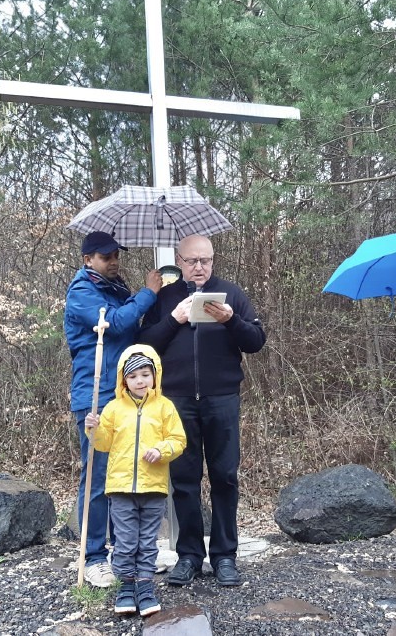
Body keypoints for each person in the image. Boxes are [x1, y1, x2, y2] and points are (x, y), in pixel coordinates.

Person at [138, 234, 266, 587]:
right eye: (192, 261)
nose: (199, 267)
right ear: (179, 262)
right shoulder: (165, 298)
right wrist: (174, 319)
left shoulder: (231, 294)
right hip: (177, 401)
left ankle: (224, 556)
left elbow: (256, 341)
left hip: (222, 398)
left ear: (213, 260)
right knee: (183, 481)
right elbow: (144, 344)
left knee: (225, 476)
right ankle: (190, 556)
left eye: (205, 260)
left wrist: (231, 320)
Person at [64, 231, 162, 587]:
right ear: (88, 259)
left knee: (125, 475)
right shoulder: (82, 292)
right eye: (106, 257)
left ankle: (125, 555)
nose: (114, 261)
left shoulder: (115, 289)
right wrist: (149, 293)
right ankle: (92, 557)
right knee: (97, 477)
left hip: (122, 395)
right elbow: (116, 323)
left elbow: (131, 329)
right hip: (95, 395)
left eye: (116, 255)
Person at [84, 345, 186, 617]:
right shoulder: (114, 408)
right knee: (126, 541)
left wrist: (162, 450)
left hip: (154, 487)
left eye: (145, 374)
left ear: (155, 375)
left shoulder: (164, 407)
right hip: (121, 488)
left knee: (147, 542)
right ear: (123, 379)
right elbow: (103, 444)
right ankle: (126, 586)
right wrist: (93, 429)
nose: (140, 381)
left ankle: (145, 586)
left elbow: (178, 440)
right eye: (133, 376)